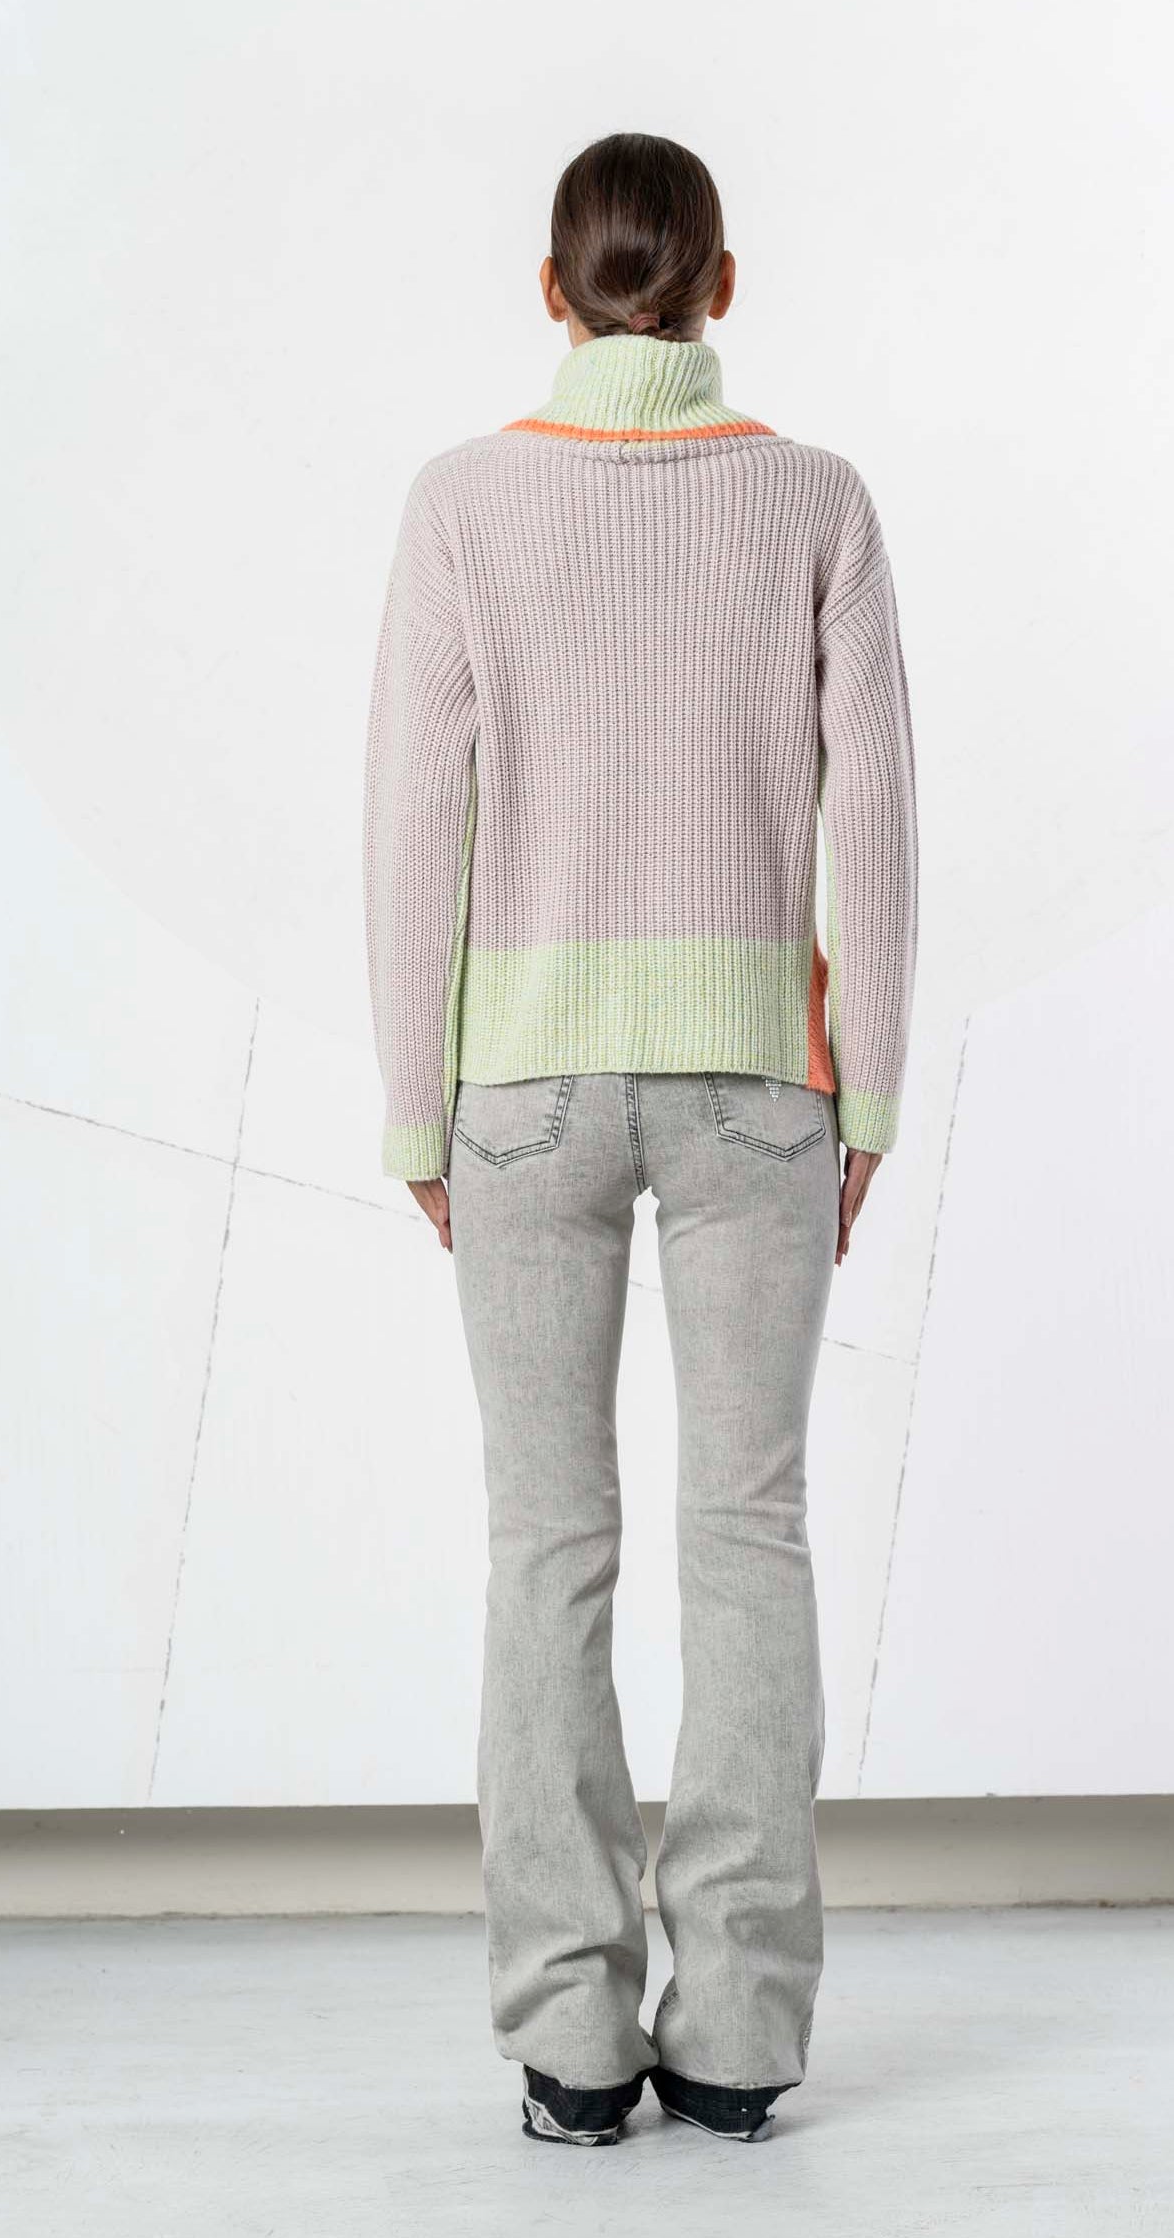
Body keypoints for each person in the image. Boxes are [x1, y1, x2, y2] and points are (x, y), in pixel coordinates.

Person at [362, 129, 917, 2146]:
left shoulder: (464, 502)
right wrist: (870, 1080)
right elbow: (880, 810)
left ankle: (572, 2047)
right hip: (762, 1079)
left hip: (520, 1087)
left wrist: (416, 1102)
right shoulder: (816, 498)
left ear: (552, 292)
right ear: (722, 285)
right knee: (749, 1531)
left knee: (548, 1541)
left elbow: (414, 812)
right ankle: (742, 2033)